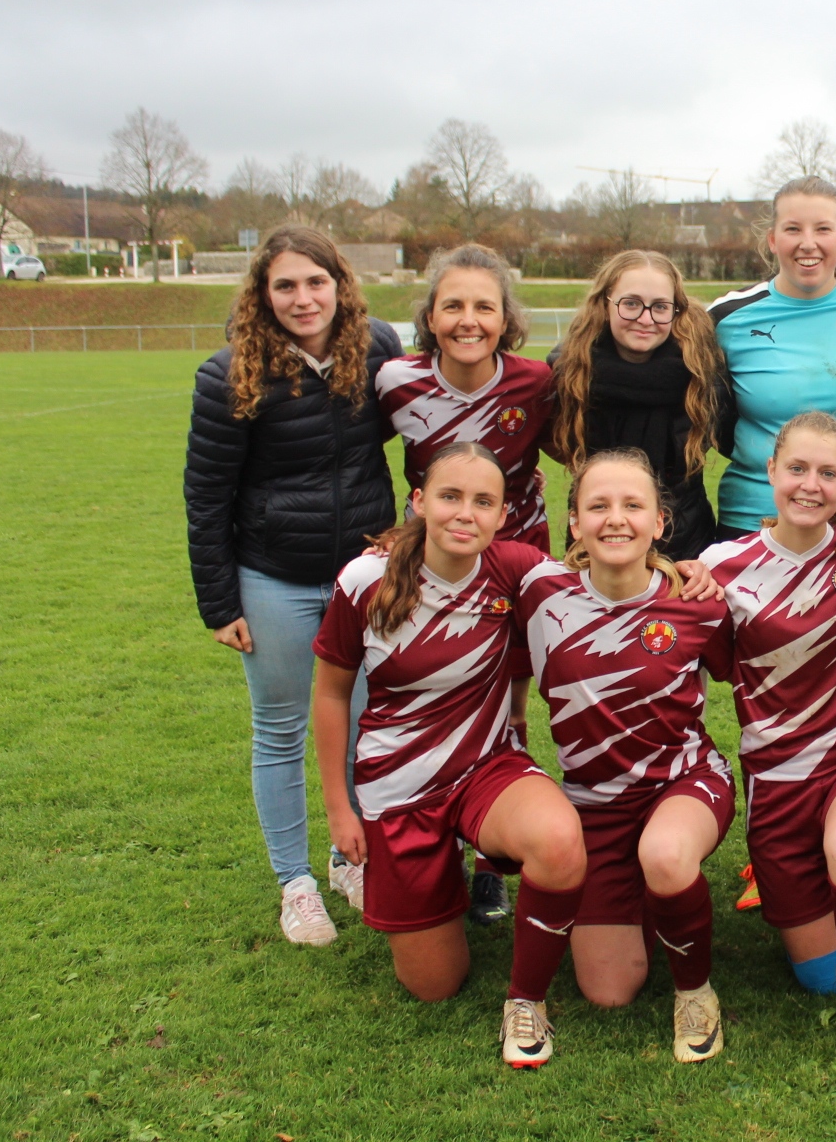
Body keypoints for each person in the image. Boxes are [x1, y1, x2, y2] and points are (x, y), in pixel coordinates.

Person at [309, 443, 587, 1068]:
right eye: (450, 496)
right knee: (434, 985)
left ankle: (525, 998)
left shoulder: (514, 568)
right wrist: (339, 810)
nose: (465, 513)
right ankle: (444, 883)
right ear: (420, 502)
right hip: (397, 786)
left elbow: (604, 572)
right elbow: (330, 694)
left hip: (486, 767)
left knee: (560, 838)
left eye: (483, 502)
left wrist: (687, 572)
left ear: (501, 515)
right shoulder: (365, 581)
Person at [185, 225, 402, 945]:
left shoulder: (377, 350)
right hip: (272, 580)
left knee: (364, 729)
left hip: (363, 581)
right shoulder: (228, 376)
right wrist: (219, 602)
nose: (304, 298)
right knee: (280, 732)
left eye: (316, 281)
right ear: (263, 295)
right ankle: (295, 883)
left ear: (339, 285)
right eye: (286, 285)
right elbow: (206, 495)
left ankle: (351, 859)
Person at [697, 412, 836, 1076]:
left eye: (827, 473)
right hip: (777, 784)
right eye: (797, 468)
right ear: (770, 471)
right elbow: (718, 663)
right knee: (820, 975)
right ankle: (818, 899)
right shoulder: (720, 568)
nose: (810, 485)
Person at [514, 448, 738, 1061]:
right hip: (595, 806)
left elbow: (753, 677)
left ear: (660, 522)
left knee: (666, 853)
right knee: (609, 991)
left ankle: (695, 993)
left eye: (633, 505)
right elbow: (459, 557)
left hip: (684, 784)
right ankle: (648, 890)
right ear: (574, 522)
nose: (617, 519)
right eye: (599, 505)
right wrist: (393, 547)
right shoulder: (540, 594)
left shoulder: (698, 601)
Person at [376, 243, 557, 926]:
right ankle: (416, 841)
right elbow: (361, 461)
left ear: (506, 316)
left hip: (515, 559)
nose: (468, 319)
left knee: (508, 707)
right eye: (453, 305)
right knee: (434, 701)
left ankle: (492, 862)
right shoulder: (396, 380)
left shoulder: (534, 381)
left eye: (484, 305)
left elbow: (580, 445)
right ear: (430, 314)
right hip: (431, 564)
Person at [710, 176, 836, 538]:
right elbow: (702, 411)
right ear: (772, 239)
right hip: (756, 517)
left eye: (822, 229)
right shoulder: (727, 318)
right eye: (793, 229)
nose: (808, 243)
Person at [548, 250, 728, 560]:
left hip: (686, 545)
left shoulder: (701, 374)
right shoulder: (569, 373)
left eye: (660, 307)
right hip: (594, 546)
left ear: (676, 310)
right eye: (631, 304)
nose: (646, 319)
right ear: (606, 304)